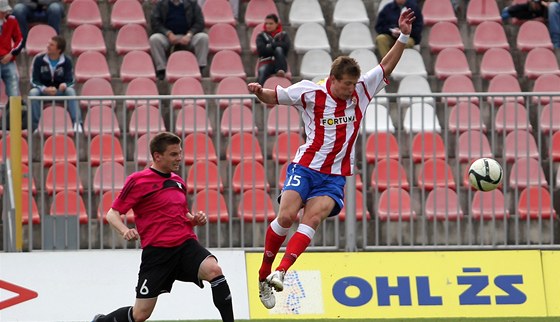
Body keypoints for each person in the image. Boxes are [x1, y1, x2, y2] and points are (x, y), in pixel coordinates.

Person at [247, 8, 416, 310]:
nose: (353, 90)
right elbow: (276, 96)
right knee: (286, 218)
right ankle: (263, 274)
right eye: (347, 85)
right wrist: (261, 92)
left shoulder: (361, 91)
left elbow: (385, 66)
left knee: (312, 218)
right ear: (333, 80)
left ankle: (282, 272)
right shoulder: (310, 92)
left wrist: (403, 35)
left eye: (355, 85)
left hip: (335, 176)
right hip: (305, 167)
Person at [92, 132, 234, 322]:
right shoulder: (138, 181)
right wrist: (125, 230)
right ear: (157, 156)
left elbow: (183, 215)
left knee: (214, 270)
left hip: (185, 245)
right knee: (140, 314)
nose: (180, 158)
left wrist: (195, 220)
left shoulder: (178, 182)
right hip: (157, 254)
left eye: (180, 153)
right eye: (174, 154)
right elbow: (112, 213)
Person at [29, 36, 82, 132]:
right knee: (33, 93)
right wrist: (44, 88)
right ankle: (36, 126)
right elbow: (34, 80)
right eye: (48, 43)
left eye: (51, 45)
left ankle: (77, 123)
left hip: (59, 92)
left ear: (59, 50)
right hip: (43, 92)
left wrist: (65, 85)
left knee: (71, 91)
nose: (48, 46)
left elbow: (71, 80)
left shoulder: (67, 61)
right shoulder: (39, 60)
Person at [149, 0, 209, 80]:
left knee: (203, 37)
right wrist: (168, 33)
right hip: (167, 36)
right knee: (154, 39)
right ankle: (161, 69)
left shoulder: (192, 4)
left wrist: (189, 34)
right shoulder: (161, 4)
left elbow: (199, 22)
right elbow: (155, 23)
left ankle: (200, 68)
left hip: (188, 36)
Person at [256, 13, 291, 85]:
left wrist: (271, 45)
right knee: (262, 70)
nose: (268, 26)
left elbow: (286, 46)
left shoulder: (283, 35)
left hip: (280, 63)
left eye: (271, 23)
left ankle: (280, 71)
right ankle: (259, 93)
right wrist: (277, 46)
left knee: (279, 49)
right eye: (266, 24)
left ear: (276, 24)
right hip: (266, 63)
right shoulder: (261, 36)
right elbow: (261, 51)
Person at [0, 0, 23, 103]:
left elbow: (20, 40)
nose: (5, 13)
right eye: (2, 11)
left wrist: (11, 54)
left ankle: (15, 117)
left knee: (14, 90)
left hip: (8, 60)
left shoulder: (12, 20)